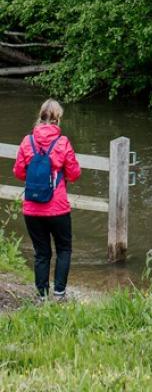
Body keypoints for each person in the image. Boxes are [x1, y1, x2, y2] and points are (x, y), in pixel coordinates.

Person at [13, 98, 81, 303]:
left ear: (40, 116)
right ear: (58, 118)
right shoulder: (62, 142)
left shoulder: (27, 141)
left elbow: (18, 172)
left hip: (32, 209)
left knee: (41, 253)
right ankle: (59, 295)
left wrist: (37, 177)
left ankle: (41, 296)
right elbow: (74, 173)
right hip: (58, 208)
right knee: (64, 249)